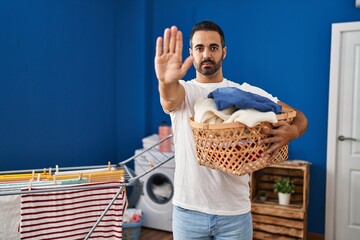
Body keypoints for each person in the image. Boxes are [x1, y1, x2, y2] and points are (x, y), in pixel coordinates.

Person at [154, 20, 308, 240]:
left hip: (234, 215)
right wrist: (165, 82)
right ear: (191, 53)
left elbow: (299, 116)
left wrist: (293, 132)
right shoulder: (185, 91)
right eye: (199, 48)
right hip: (189, 213)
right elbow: (169, 98)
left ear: (223, 52)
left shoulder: (244, 93)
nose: (206, 54)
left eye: (213, 47)